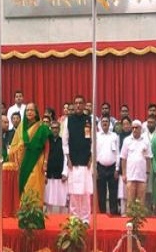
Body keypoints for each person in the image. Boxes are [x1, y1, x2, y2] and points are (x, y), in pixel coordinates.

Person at [9, 102, 50, 205]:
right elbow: (14, 145)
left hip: (37, 160)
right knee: (25, 185)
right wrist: (18, 149)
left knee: (35, 185)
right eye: (27, 110)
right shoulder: (21, 127)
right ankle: (24, 211)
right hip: (23, 161)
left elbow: (47, 146)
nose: (29, 112)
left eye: (32, 110)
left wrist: (45, 162)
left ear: (36, 113)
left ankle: (35, 211)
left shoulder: (42, 127)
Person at [62, 95, 93, 223]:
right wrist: (68, 158)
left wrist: (91, 157)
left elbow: (93, 140)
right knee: (74, 192)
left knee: (85, 192)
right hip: (73, 161)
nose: (78, 105)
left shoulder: (89, 120)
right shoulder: (68, 120)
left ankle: (85, 219)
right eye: (76, 103)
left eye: (81, 103)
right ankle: (74, 217)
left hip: (86, 161)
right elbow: (65, 141)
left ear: (84, 105)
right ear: (74, 105)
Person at [121, 119, 150, 207]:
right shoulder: (126, 140)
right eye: (133, 127)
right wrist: (124, 174)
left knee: (141, 202)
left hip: (142, 176)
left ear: (140, 128)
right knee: (130, 201)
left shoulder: (146, 141)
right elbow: (123, 158)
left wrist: (148, 173)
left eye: (136, 128)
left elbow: (148, 158)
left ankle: (140, 216)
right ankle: (130, 216)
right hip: (130, 175)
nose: (134, 129)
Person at [96, 115, 120, 215]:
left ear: (109, 123)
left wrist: (117, 168)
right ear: (101, 124)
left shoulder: (114, 136)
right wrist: (95, 169)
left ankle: (113, 213)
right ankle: (102, 214)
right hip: (100, 167)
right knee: (101, 192)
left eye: (106, 121)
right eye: (103, 121)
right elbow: (94, 152)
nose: (105, 123)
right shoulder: (97, 136)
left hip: (112, 167)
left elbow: (117, 153)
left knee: (113, 192)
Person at [44, 121, 68, 213]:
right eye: (53, 128)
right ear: (50, 129)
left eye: (56, 128)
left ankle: (61, 217)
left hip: (60, 174)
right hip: (49, 174)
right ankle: (50, 217)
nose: (55, 130)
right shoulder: (47, 142)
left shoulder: (63, 141)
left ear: (59, 129)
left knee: (61, 199)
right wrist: (44, 173)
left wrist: (65, 173)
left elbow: (66, 158)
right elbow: (44, 157)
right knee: (48, 199)